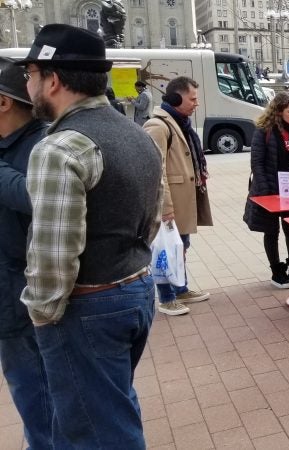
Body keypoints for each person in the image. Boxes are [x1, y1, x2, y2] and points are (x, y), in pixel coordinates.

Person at [18, 24, 162, 449]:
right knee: (109, 410)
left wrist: (41, 315)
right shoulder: (137, 133)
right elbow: (149, 221)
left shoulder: (60, 147)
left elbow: (52, 255)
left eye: (30, 76)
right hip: (136, 287)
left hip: (87, 304)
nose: (27, 86)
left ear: (54, 80)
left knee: (98, 433)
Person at [0, 57, 54, 449]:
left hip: (26, 305)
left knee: (44, 411)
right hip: (14, 302)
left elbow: (41, 199)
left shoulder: (44, 146)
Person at [144, 76, 213, 316]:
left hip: (182, 198)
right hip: (169, 202)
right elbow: (155, 170)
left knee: (181, 246)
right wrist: (164, 207)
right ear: (175, 98)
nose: (196, 103)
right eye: (192, 98)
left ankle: (181, 288)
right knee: (165, 250)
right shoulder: (158, 126)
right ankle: (166, 298)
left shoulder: (180, 122)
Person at [243, 92, 289, 289]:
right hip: (269, 189)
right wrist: (265, 192)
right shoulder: (264, 130)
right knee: (271, 230)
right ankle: (276, 271)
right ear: (279, 112)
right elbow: (257, 163)